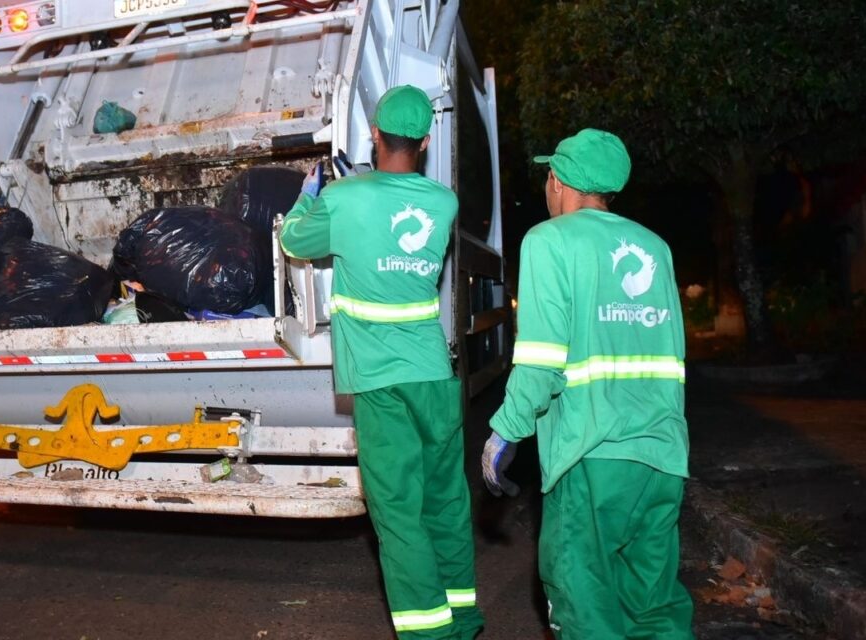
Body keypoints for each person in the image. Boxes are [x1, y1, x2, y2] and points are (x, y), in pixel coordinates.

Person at [280, 85, 484, 640]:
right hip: (433, 377)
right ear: (424, 139)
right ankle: (462, 615)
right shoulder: (444, 203)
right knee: (446, 501)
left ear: (374, 134)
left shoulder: (348, 198)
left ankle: (430, 633)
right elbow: (397, 208)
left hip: (380, 383)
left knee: (399, 516)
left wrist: (310, 193)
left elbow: (298, 243)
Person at [481, 129, 693, 639]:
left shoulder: (549, 240)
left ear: (558, 181)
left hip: (591, 458)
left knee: (583, 607)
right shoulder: (654, 247)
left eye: (547, 177)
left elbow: (540, 363)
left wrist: (504, 433)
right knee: (653, 608)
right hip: (663, 459)